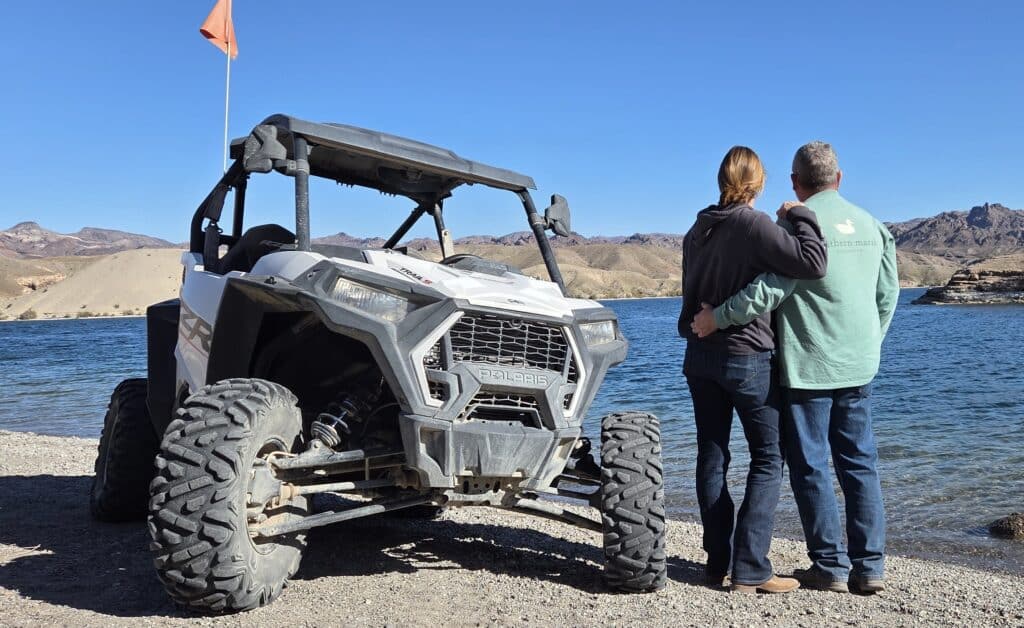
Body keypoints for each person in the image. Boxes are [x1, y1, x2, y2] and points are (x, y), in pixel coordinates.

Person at [691, 141, 899, 594]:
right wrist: (869, 345)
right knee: (861, 462)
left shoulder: (792, 225)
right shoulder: (874, 226)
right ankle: (871, 567)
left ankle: (830, 567)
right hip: (859, 365)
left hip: (806, 365)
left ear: (794, 183)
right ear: (839, 178)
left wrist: (717, 317)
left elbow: (769, 290)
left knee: (811, 466)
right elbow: (887, 296)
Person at [679, 146, 827, 593]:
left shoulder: (696, 229)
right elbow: (813, 262)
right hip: (744, 357)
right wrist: (802, 215)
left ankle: (715, 562)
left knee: (713, 454)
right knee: (767, 457)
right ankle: (750, 568)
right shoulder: (752, 224)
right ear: (758, 183)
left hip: (699, 357)